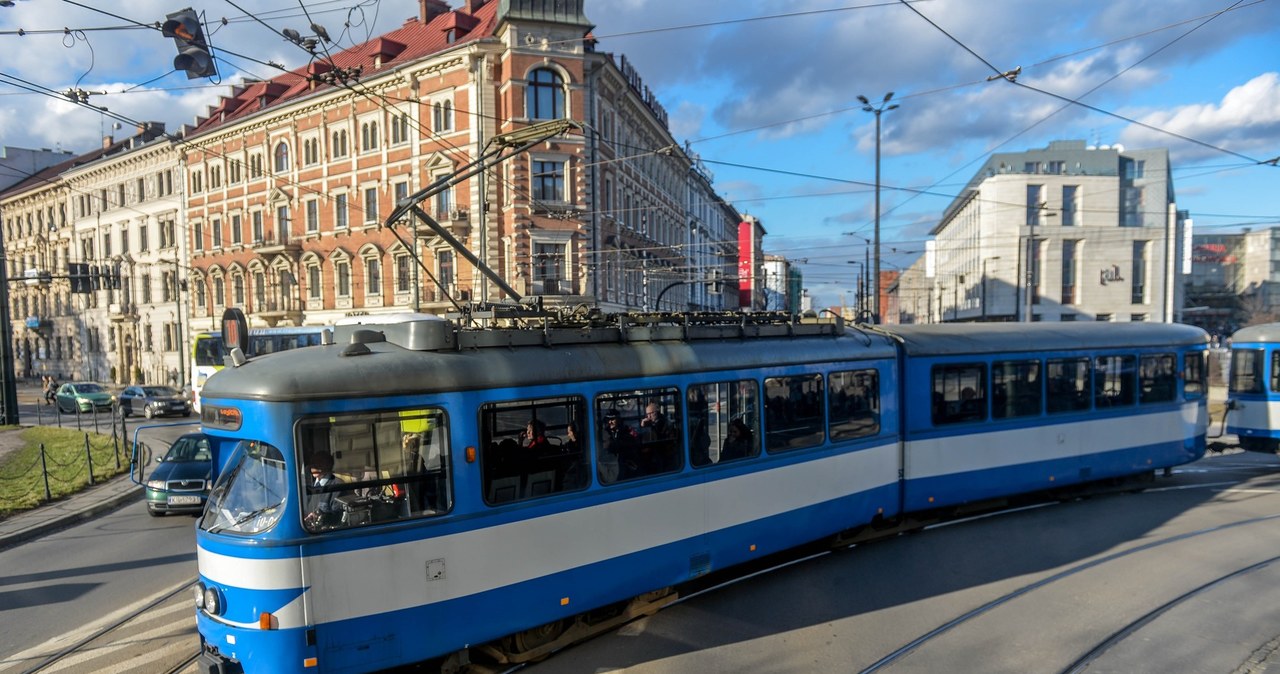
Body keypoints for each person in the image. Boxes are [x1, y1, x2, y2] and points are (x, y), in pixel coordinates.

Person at [304, 451, 344, 529]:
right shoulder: (311, 483)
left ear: (327, 466)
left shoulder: (336, 485)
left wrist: (321, 516)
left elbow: (338, 516)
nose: (313, 467)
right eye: (312, 464)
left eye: (317, 464)